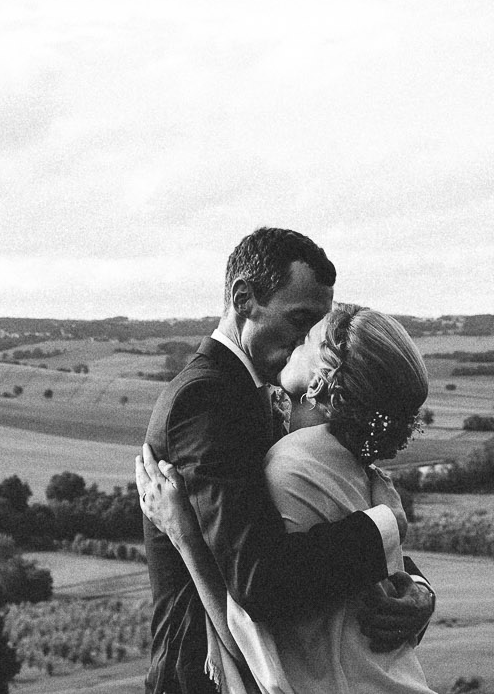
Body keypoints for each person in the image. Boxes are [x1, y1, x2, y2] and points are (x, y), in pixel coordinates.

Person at [137, 228, 435, 694]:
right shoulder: (206, 399)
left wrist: (415, 587)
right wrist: (384, 526)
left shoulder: (268, 404)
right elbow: (261, 579)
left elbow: (320, 518)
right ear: (244, 298)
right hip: (203, 677)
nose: (307, 338)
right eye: (301, 319)